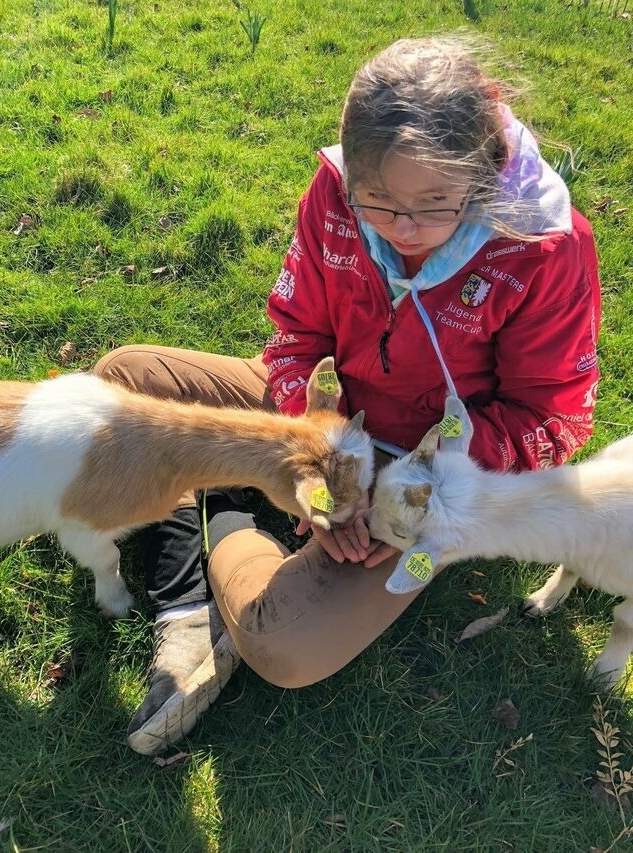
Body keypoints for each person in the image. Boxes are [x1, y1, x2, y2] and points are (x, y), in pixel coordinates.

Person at [95, 35, 601, 755]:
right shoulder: (333, 192)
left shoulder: (547, 248)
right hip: (336, 430)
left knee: (284, 648)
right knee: (123, 376)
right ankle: (188, 600)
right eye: (379, 201)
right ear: (349, 168)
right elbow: (295, 335)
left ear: (483, 174)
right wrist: (311, 463)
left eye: (434, 205)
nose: (403, 230)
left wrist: (404, 488)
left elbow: (554, 417)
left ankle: (224, 512)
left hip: (425, 482)